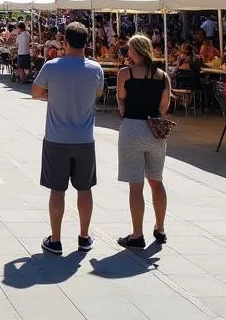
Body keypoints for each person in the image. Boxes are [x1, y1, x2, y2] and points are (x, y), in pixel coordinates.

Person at [31, 22, 104, 255]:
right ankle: (84, 236)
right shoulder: (95, 68)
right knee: (85, 189)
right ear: (87, 42)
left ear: (65, 42)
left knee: (57, 190)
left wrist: (53, 97)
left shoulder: (52, 67)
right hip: (84, 138)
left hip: (57, 137)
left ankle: (56, 239)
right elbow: (99, 93)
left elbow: (35, 93)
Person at [115, 34, 171, 249]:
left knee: (135, 186)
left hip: (132, 129)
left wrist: (122, 104)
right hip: (155, 131)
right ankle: (160, 227)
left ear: (135, 51)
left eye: (128, 49)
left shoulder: (125, 73)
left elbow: (122, 96)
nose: (126, 53)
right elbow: (164, 107)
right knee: (156, 182)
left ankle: (137, 234)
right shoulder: (163, 76)